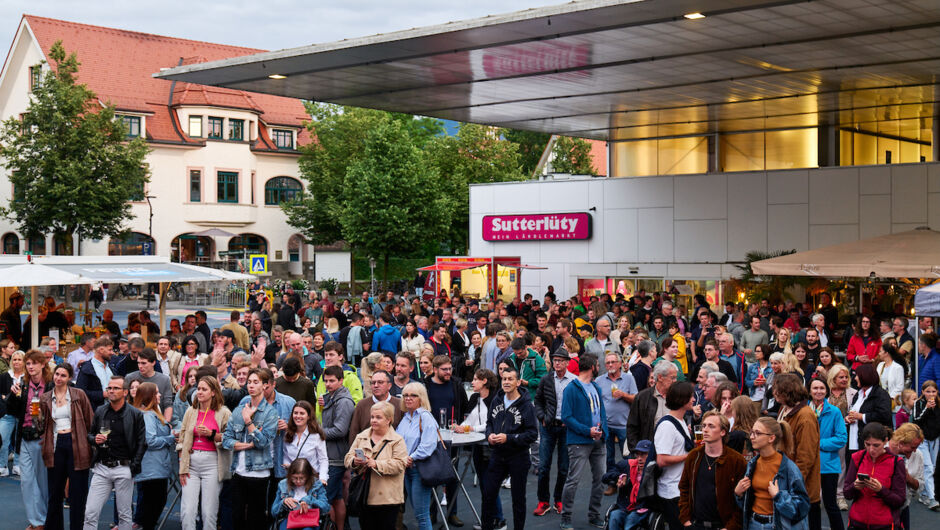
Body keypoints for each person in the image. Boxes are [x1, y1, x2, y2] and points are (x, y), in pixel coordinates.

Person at [84, 374, 148, 530]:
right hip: (101, 467)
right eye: (109, 388)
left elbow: (142, 443)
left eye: (115, 388)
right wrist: (94, 439)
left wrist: (133, 467)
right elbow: (90, 434)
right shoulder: (100, 411)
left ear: (125, 392)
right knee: (90, 512)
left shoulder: (135, 414)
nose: (111, 391)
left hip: (124, 468)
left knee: (124, 515)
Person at [480, 365, 538, 530]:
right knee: (488, 494)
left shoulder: (526, 405)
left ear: (518, 382)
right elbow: (489, 423)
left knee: (518, 499)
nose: (506, 382)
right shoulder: (497, 400)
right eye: (504, 379)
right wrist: (489, 435)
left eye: (510, 379)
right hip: (497, 454)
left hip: (518, 456)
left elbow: (532, 434)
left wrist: (509, 438)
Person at [223, 368, 279, 530]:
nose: (251, 386)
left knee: (256, 518)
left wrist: (248, 422)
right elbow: (227, 441)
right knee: (237, 517)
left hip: (259, 473)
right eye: (249, 382)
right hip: (238, 472)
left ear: (265, 386)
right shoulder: (239, 410)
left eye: (256, 382)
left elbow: (263, 443)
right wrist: (248, 445)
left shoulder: (270, 413)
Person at [40, 362, 93, 530]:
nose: (59, 378)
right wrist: (37, 419)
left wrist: (90, 443)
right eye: (57, 374)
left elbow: (90, 420)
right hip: (55, 444)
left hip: (77, 443)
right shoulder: (45, 398)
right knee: (55, 493)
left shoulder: (79, 394)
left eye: (63, 375)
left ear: (70, 378)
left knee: (78, 493)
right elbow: (41, 426)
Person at [734, 417, 811, 530]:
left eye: (757, 433)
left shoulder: (789, 468)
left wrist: (779, 496)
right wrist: (739, 494)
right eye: (751, 432)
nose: (752, 437)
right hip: (753, 523)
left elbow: (802, 508)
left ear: (771, 438)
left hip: (777, 525)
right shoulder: (752, 465)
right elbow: (747, 504)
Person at [560, 354, 608, 530]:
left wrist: (603, 431)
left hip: (599, 440)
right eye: (597, 364)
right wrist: (587, 431)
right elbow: (566, 417)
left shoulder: (595, 386)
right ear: (592, 367)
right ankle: (566, 516)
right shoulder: (571, 389)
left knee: (601, 478)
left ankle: (594, 515)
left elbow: (601, 411)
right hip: (579, 441)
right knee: (573, 480)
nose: (599, 367)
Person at [678, 411, 746, 530]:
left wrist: (730, 527)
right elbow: (684, 488)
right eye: (704, 425)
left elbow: (743, 499)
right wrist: (686, 520)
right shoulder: (694, 456)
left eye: (711, 426)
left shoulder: (736, 460)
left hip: (722, 525)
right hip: (695, 524)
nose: (705, 429)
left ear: (723, 432)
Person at [8, 349, 52, 529]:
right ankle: (36, 521)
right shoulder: (23, 384)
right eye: (28, 363)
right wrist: (13, 395)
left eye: (34, 363)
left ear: (42, 364)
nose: (31, 366)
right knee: (26, 482)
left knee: (43, 482)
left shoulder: (49, 385)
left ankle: (45, 519)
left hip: (43, 438)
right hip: (25, 436)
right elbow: (11, 410)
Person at [773, 372, 822, 530]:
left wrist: (793, 485)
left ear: (787, 391)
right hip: (785, 482)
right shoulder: (784, 409)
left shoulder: (805, 416)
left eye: (777, 389)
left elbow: (805, 457)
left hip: (799, 489)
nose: (773, 393)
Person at [532, 347, 576, 517]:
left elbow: (578, 404)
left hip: (566, 428)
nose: (557, 363)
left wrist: (571, 420)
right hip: (548, 427)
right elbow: (538, 400)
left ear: (567, 362)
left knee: (564, 467)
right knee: (543, 466)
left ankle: (559, 499)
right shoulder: (546, 379)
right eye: (555, 360)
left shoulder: (574, 381)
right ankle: (543, 501)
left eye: (560, 360)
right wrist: (542, 417)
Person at [843, 422, 907, 530]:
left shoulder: (896, 462)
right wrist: (855, 486)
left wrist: (881, 490)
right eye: (867, 444)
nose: (871, 449)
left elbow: (899, 500)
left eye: (876, 445)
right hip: (857, 522)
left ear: (885, 441)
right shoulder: (857, 458)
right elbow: (847, 494)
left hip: (884, 524)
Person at [652, 381, 695, 530]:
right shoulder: (667, 426)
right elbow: (662, 460)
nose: (694, 400)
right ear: (682, 399)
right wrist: (689, 456)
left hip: (680, 489)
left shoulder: (681, 421)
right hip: (671, 492)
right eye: (691, 397)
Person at [397, 382, 440, 530]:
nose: (408, 398)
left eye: (413, 395)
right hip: (406, 469)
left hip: (419, 470)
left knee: (422, 515)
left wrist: (411, 457)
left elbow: (428, 445)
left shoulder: (425, 417)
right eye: (405, 395)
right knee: (418, 511)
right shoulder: (406, 417)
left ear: (421, 398)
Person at [133, 382, 175, 530]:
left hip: (154, 467)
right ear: (149, 396)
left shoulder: (151, 413)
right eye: (156, 392)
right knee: (154, 504)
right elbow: (150, 440)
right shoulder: (148, 415)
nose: (160, 395)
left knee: (151, 504)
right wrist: (170, 438)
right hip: (152, 468)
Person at [318, 365, 355, 530]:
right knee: (337, 498)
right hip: (331, 454)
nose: (328, 384)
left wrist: (316, 433)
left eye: (332, 381)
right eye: (326, 380)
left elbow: (340, 430)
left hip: (336, 456)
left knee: (326, 500)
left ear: (341, 381)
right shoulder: (331, 397)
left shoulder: (344, 401)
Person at [809, 378, 848, 530]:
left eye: (821, 388)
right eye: (815, 388)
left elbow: (841, 438)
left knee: (831, 504)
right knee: (812, 504)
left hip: (828, 465)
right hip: (810, 464)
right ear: (809, 391)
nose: (818, 391)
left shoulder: (834, 411)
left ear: (826, 390)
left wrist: (818, 444)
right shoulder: (804, 410)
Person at [595, 352, 637, 475]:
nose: (610, 364)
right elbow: (596, 403)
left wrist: (623, 395)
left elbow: (636, 398)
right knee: (608, 457)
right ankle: (612, 481)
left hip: (624, 425)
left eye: (613, 362)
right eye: (608, 363)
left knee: (628, 457)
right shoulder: (599, 380)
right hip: (606, 425)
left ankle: (628, 482)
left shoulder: (628, 378)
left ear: (619, 364)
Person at [626, 362, 678, 454]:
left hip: (672, 450)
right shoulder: (642, 397)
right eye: (672, 378)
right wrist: (637, 451)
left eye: (675, 378)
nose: (675, 381)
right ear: (660, 377)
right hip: (648, 450)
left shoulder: (677, 397)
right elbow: (632, 426)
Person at [271, 458, 331, 530]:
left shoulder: (317, 485)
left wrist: (309, 500)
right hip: (290, 518)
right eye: (295, 478)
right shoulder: (283, 484)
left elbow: (326, 508)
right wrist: (283, 502)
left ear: (308, 476)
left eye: (302, 478)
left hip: (310, 519)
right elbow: (273, 512)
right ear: (290, 476)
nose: (298, 481)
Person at [348, 370, 402, 444]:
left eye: (380, 382)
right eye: (373, 383)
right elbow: (354, 433)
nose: (376, 385)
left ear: (389, 386)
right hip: (366, 451)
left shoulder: (399, 404)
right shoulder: (362, 405)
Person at [847, 364, 892, 450]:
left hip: (871, 443)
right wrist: (848, 418)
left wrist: (862, 416)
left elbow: (884, 415)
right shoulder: (858, 394)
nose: (855, 378)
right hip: (853, 442)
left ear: (865, 376)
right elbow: (853, 411)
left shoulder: (881, 394)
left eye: (857, 375)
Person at [889, 422, 925, 530]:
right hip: (882, 509)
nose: (915, 450)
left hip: (903, 507)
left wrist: (908, 478)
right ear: (901, 443)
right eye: (913, 447)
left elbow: (920, 486)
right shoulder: (882, 450)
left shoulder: (917, 455)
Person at [125, 347, 174, 422]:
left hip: (157, 420)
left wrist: (165, 423)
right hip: (133, 420)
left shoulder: (164, 379)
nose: (140, 366)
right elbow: (125, 401)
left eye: (144, 363)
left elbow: (168, 404)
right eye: (138, 363)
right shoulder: (130, 378)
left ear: (153, 363)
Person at [913, 379, 940, 510]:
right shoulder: (918, 403)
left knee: (932, 467)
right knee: (928, 467)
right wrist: (927, 408)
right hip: (922, 439)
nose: (931, 394)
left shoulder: (939, 403)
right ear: (923, 392)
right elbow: (917, 419)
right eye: (928, 391)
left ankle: (924, 493)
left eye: (933, 391)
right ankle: (932, 498)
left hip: (935, 439)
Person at [0, 349, 24, 476]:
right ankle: (2, 466)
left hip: (22, 413)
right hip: (7, 412)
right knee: (2, 439)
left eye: (19, 359)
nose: (16, 362)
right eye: (14, 359)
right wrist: (4, 398)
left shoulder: (27, 377)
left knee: (19, 440)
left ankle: (17, 465)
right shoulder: (4, 376)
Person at [76, 336, 115, 410]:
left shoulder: (111, 367)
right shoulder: (87, 368)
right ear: (101, 350)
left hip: (114, 411)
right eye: (110, 350)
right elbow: (80, 392)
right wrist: (101, 394)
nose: (112, 353)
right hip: (96, 412)